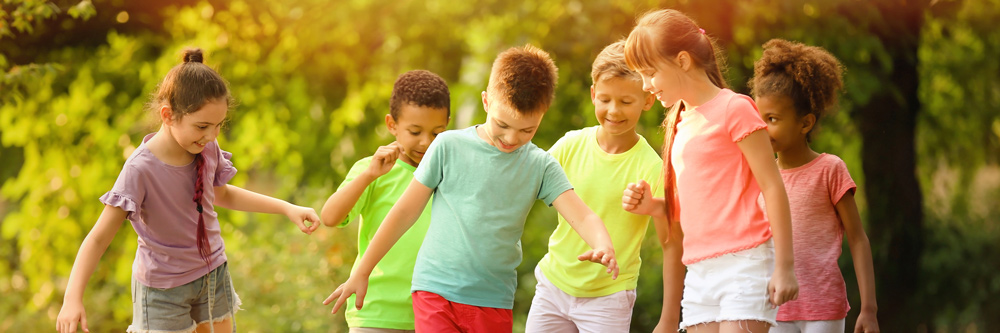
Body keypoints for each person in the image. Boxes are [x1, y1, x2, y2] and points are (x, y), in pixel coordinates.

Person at [324, 44, 619, 333]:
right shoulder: (448, 146)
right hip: (434, 290)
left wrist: (603, 243)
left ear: (542, 114)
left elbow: (582, 215)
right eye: (503, 124)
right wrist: (362, 272)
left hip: (492, 299)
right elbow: (403, 212)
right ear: (486, 101)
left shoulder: (540, 165)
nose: (512, 138)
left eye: (527, 130)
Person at [55, 49, 320, 333]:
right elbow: (99, 237)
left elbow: (222, 194)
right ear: (168, 115)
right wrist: (72, 298)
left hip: (213, 275)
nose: (211, 136)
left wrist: (286, 207)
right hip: (163, 290)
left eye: (218, 126)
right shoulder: (140, 169)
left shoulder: (206, 147)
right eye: (202, 126)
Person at [620, 9, 799, 333]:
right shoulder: (680, 123)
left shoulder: (735, 108)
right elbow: (689, 209)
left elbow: (772, 186)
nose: (647, 86)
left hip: (745, 264)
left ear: (683, 61)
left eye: (650, 73)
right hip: (700, 269)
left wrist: (785, 267)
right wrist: (651, 207)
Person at [525, 40, 667, 332]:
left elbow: (671, 230)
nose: (614, 110)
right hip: (554, 287)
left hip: (609, 296)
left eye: (626, 101)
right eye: (605, 99)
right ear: (593, 95)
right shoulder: (570, 144)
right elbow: (525, 180)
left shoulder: (651, 166)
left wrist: (651, 205)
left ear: (648, 100)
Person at [750, 39, 879, 333]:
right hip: (773, 309)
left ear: (805, 123)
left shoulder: (830, 170)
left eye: (772, 119)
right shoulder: (760, 177)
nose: (762, 128)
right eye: (759, 119)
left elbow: (858, 240)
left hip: (823, 309)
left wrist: (869, 308)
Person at [320, 69, 451, 333]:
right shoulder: (372, 170)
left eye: (437, 133)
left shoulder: (448, 172)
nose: (426, 142)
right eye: (415, 131)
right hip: (375, 311)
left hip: (432, 314)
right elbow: (330, 217)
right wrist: (368, 175)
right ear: (392, 125)